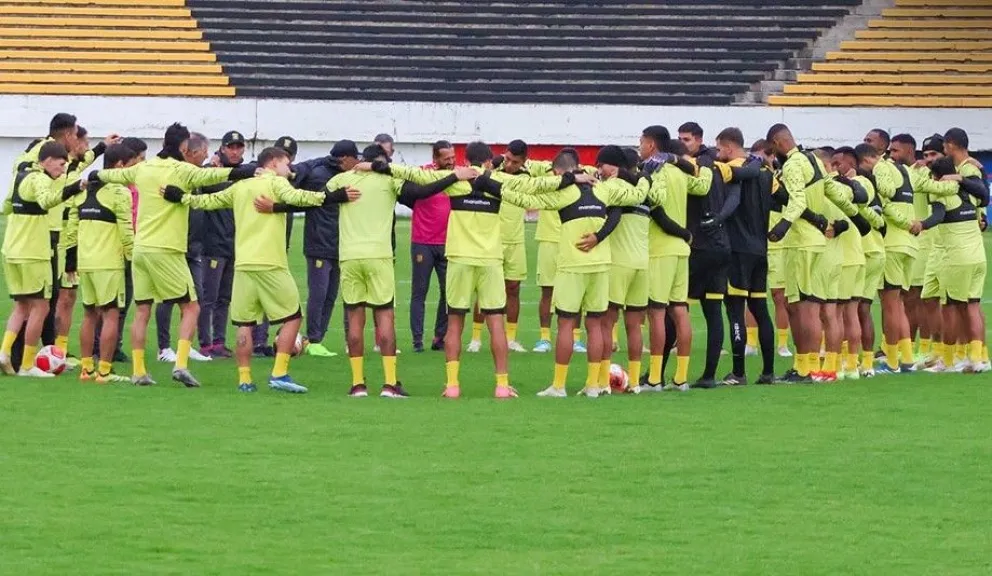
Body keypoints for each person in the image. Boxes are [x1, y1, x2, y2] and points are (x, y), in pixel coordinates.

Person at [372, 141, 566, 398]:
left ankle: (452, 385)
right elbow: (538, 185)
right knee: (496, 323)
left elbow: (414, 174)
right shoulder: (499, 180)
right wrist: (573, 178)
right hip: (490, 259)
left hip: (460, 258)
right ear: (488, 162)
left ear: (467, 161)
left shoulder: (456, 180)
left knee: (454, 323)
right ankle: (501, 385)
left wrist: (378, 166)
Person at [90, 122, 255, 387]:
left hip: (141, 249)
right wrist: (252, 171)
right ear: (182, 146)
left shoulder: (143, 168)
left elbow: (111, 176)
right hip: (166, 250)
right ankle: (180, 364)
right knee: (191, 306)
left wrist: (91, 178)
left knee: (142, 310)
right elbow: (218, 176)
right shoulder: (183, 170)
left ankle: (139, 370)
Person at [165, 147, 342, 393]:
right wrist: (331, 196)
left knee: (244, 323)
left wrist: (181, 197)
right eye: (286, 163)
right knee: (293, 317)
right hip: (271, 263)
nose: (289, 169)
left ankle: (245, 379)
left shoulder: (240, 187)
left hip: (244, 265)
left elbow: (206, 201)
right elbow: (301, 198)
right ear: (273, 162)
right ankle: (279, 372)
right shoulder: (275, 184)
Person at [490, 147, 645, 397]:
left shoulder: (564, 192)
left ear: (560, 171)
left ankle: (559, 386)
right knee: (595, 324)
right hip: (602, 264)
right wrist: (642, 176)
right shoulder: (604, 188)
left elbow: (527, 200)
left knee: (565, 324)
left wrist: (492, 186)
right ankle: (594, 385)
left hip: (573, 265)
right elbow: (637, 194)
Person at [333, 145, 461, 397]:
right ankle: (390, 384)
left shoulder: (341, 179)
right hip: (378, 256)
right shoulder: (389, 179)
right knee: (385, 317)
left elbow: (323, 195)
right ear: (381, 163)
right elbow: (422, 190)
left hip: (349, 256)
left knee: (355, 319)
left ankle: (358, 384)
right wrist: (454, 177)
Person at [1, 142, 85, 376]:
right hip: (34, 252)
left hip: (11, 249)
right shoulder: (40, 179)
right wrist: (74, 188)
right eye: (61, 163)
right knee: (41, 306)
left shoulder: (19, 176)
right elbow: (47, 201)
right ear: (46, 160)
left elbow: (6, 205)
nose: (62, 168)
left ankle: (4, 351)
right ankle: (27, 365)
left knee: (21, 306)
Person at [62, 143, 136, 383]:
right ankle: (104, 371)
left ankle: (86, 369)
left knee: (89, 315)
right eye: (135, 163)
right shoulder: (119, 192)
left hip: (86, 262)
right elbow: (126, 230)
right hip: (109, 264)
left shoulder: (82, 191)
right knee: (111, 314)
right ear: (120, 166)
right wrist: (133, 257)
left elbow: (71, 230)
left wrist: (71, 261)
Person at [717, 128, 776, 386]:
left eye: (720, 149)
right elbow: (783, 198)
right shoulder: (765, 173)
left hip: (737, 249)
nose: (719, 154)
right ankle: (768, 372)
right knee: (761, 310)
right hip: (760, 249)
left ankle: (739, 372)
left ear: (729, 148)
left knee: (735, 311)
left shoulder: (730, 171)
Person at [467, 139, 531, 353]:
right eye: (508, 159)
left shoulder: (527, 177)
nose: (510, 164)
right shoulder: (490, 172)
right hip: (492, 240)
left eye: (515, 161)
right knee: (483, 288)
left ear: (524, 161)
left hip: (516, 240)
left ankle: (511, 338)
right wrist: (494, 163)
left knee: (513, 289)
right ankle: (476, 338)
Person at [155, 132, 213, 366]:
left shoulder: (197, 177)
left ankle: (185, 346)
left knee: (194, 299)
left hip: (194, 248)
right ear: (191, 152)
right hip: (174, 246)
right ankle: (163, 347)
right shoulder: (176, 174)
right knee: (167, 299)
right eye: (204, 152)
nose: (207, 156)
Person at [198, 129, 247, 358]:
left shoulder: (243, 172)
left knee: (225, 297)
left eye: (239, 147)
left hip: (234, 244)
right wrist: (211, 168)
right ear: (223, 148)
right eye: (231, 147)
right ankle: (205, 343)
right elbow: (202, 182)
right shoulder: (211, 172)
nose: (235, 151)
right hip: (213, 243)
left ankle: (218, 341)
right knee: (209, 297)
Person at [407, 140, 452, 353]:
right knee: (420, 292)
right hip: (423, 242)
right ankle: (417, 341)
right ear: (435, 158)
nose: (451, 162)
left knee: (449, 292)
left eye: (453, 158)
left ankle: (440, 337)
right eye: (447, 159)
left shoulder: (457, 177)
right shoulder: (421, 174)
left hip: (449, 243)